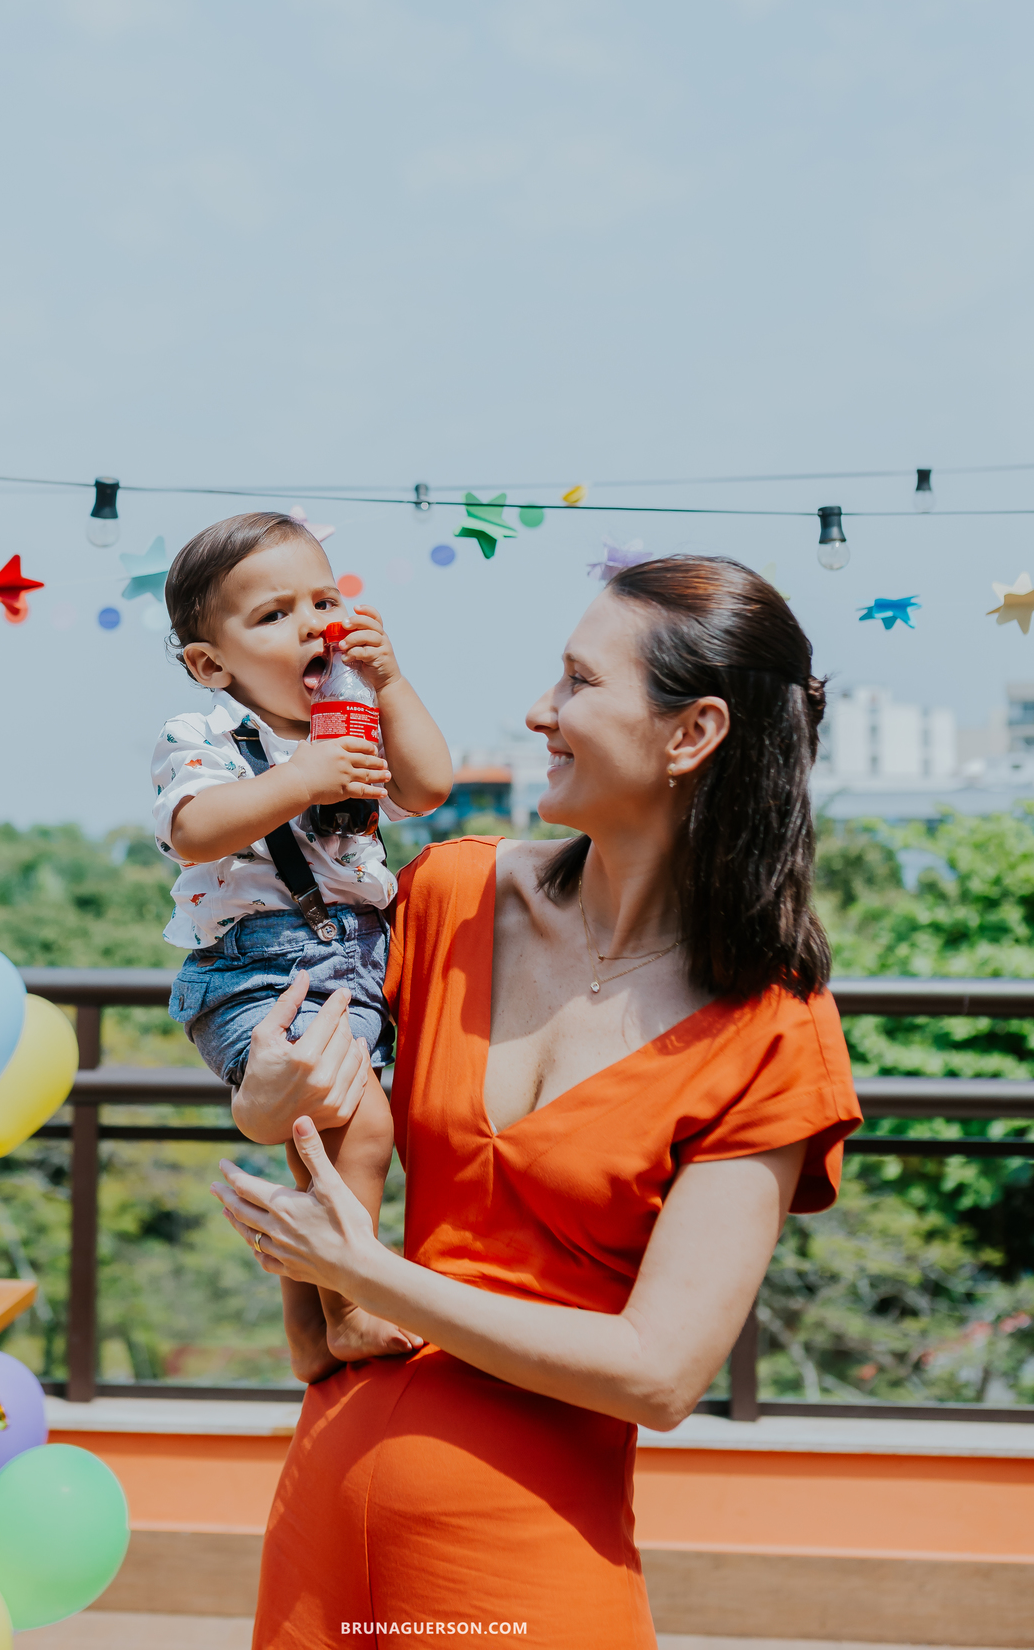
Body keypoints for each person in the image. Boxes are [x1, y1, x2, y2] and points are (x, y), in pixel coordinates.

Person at [214, 555, 864, 1649]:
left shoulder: (771, 1031)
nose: (537, 710)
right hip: (322, 1525)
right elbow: (308, 1131)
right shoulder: (448, 896)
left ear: (693, 733)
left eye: (578, 682)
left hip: (523, 1563)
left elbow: (659, 1374)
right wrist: (264, 1105)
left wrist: (369, 1275)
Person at [154, 510, 452, 1374]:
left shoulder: (350, 721)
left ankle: (310, 1336)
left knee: (318, 1148)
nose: (314, 624)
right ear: (212, 665)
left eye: (325, 600)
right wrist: (302, 777)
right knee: (359, 1124)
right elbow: (195, 830)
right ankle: (351, 1305)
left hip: (358, 962)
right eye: (274, 614)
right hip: (260, 970)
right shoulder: (205, 738)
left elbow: (428, 788)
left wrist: (391, 683)